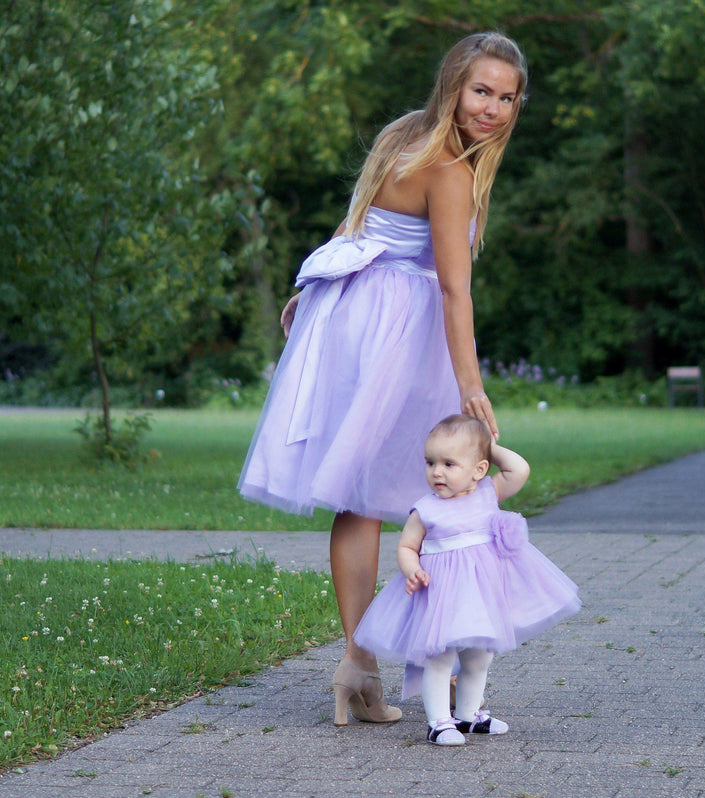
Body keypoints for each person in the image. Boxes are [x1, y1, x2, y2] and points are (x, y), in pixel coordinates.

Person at [238, 32, 528, 727]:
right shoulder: (451, 169)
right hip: (405, 321)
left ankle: (359, 666)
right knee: (436, 501)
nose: (491, 108)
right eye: (481, 90)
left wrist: (314, 297)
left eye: (506, 97)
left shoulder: (404, 133)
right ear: (454, 82)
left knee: (362, 494)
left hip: (358, 312)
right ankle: (432, 669)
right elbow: (455, 290)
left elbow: (357, 221)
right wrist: (471, 385)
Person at [353, 414, 581, 745]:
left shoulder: (488, 493)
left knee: (478, 656)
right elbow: (406, 546)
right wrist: (411, 568)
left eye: (449, 463)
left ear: (478, 469)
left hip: (482, 595)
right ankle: (438, 722)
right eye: (430, 462)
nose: (437, 472)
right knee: (441, 656)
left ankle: (468, 715)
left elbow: (520, 470)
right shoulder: (425, 510)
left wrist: (489, 445)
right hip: (442, 595)